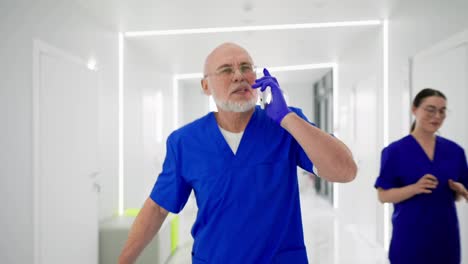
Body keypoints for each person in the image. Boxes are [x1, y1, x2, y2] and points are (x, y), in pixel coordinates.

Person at [118, 42, 357, 264]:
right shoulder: (185, 142)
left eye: (246, 67)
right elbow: (158, 207)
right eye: (225, 70)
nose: (239, 75)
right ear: (205, 86)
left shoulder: (286, 127)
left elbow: (345, 171)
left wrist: (288, 118)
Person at [375, 88, 468, 264]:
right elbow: (383, 195)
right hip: (409, 238)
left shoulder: (455, 151)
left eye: (442, 111)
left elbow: (463, 192)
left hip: (446, 238)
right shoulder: (395, 151)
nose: (437, 116)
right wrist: (414, 188)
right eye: (430, 109)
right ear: (414, 109)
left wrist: (461, 191)